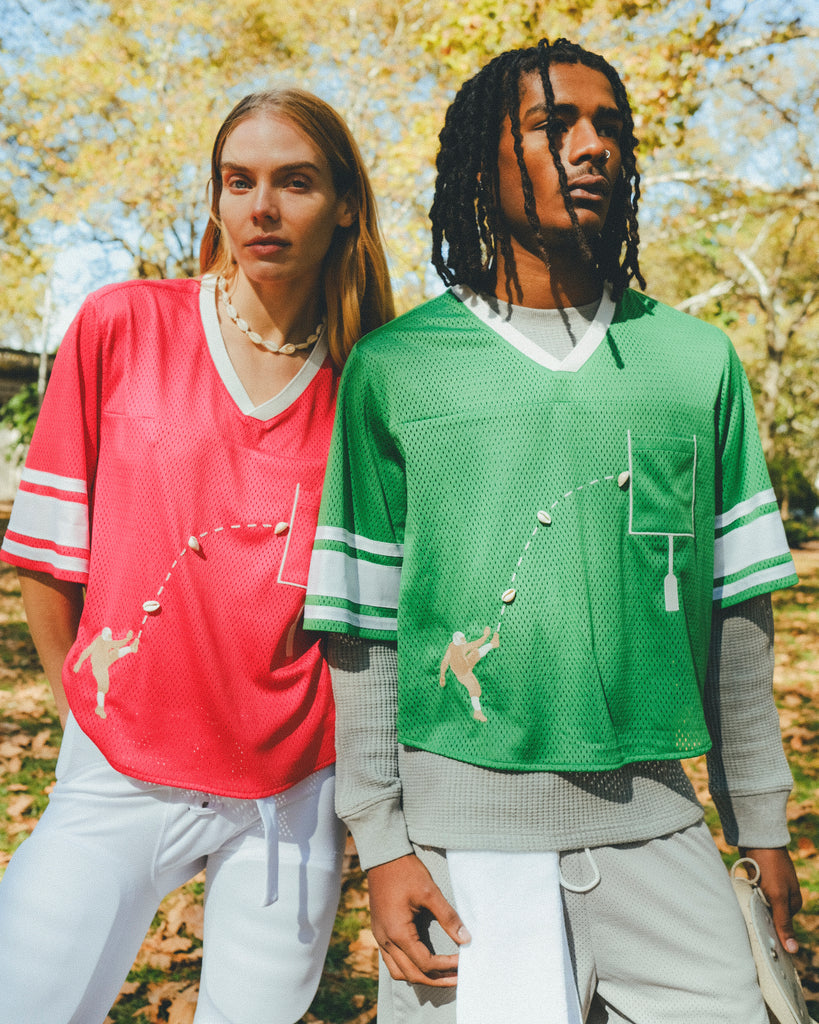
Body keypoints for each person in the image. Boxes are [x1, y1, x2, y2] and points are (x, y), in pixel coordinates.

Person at [304, 38, 802, 1024]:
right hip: (464, 844)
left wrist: (764, 825)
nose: (592, 148)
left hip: (661, 830)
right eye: (551, 125)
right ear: (482, 165)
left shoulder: (696, 361)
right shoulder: (399, 368)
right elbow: (357, 630)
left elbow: (735, 620)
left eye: (610, 127)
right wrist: (386, 841)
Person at [0, 87, 393, 1024]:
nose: (262, 207)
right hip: (118, 770)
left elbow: (380, 606)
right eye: (238, 181)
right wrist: (84, 710)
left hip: (291, 787)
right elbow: (48, 559)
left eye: (294, 182)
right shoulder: (123, 324)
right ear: (217, 199)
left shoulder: (375, 377)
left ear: (343, 203)